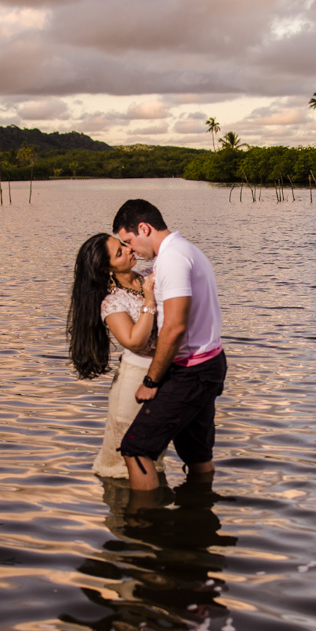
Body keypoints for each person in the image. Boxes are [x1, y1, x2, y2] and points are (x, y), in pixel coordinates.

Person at [112, 199, 227, 491]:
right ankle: (200, 516)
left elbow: (175, 326)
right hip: (208, 363)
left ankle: (146, 526)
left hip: (191, 371)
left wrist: (151, 380)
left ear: (144, 228)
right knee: (197, 455)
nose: (132, 250)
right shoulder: (185, 249)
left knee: (136, 449)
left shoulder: (171, 258)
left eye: (129, 241)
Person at [67, 232, 165, 478]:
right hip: (135, 380)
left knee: (155, 454)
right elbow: (135, 341)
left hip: (162, 373)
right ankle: (125, 511)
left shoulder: (147, 275)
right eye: (119, 253)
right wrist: (149, 300)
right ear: (108, 270)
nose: (128, 250)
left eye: (122, 244)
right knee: (123, 460)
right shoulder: (112, 302)